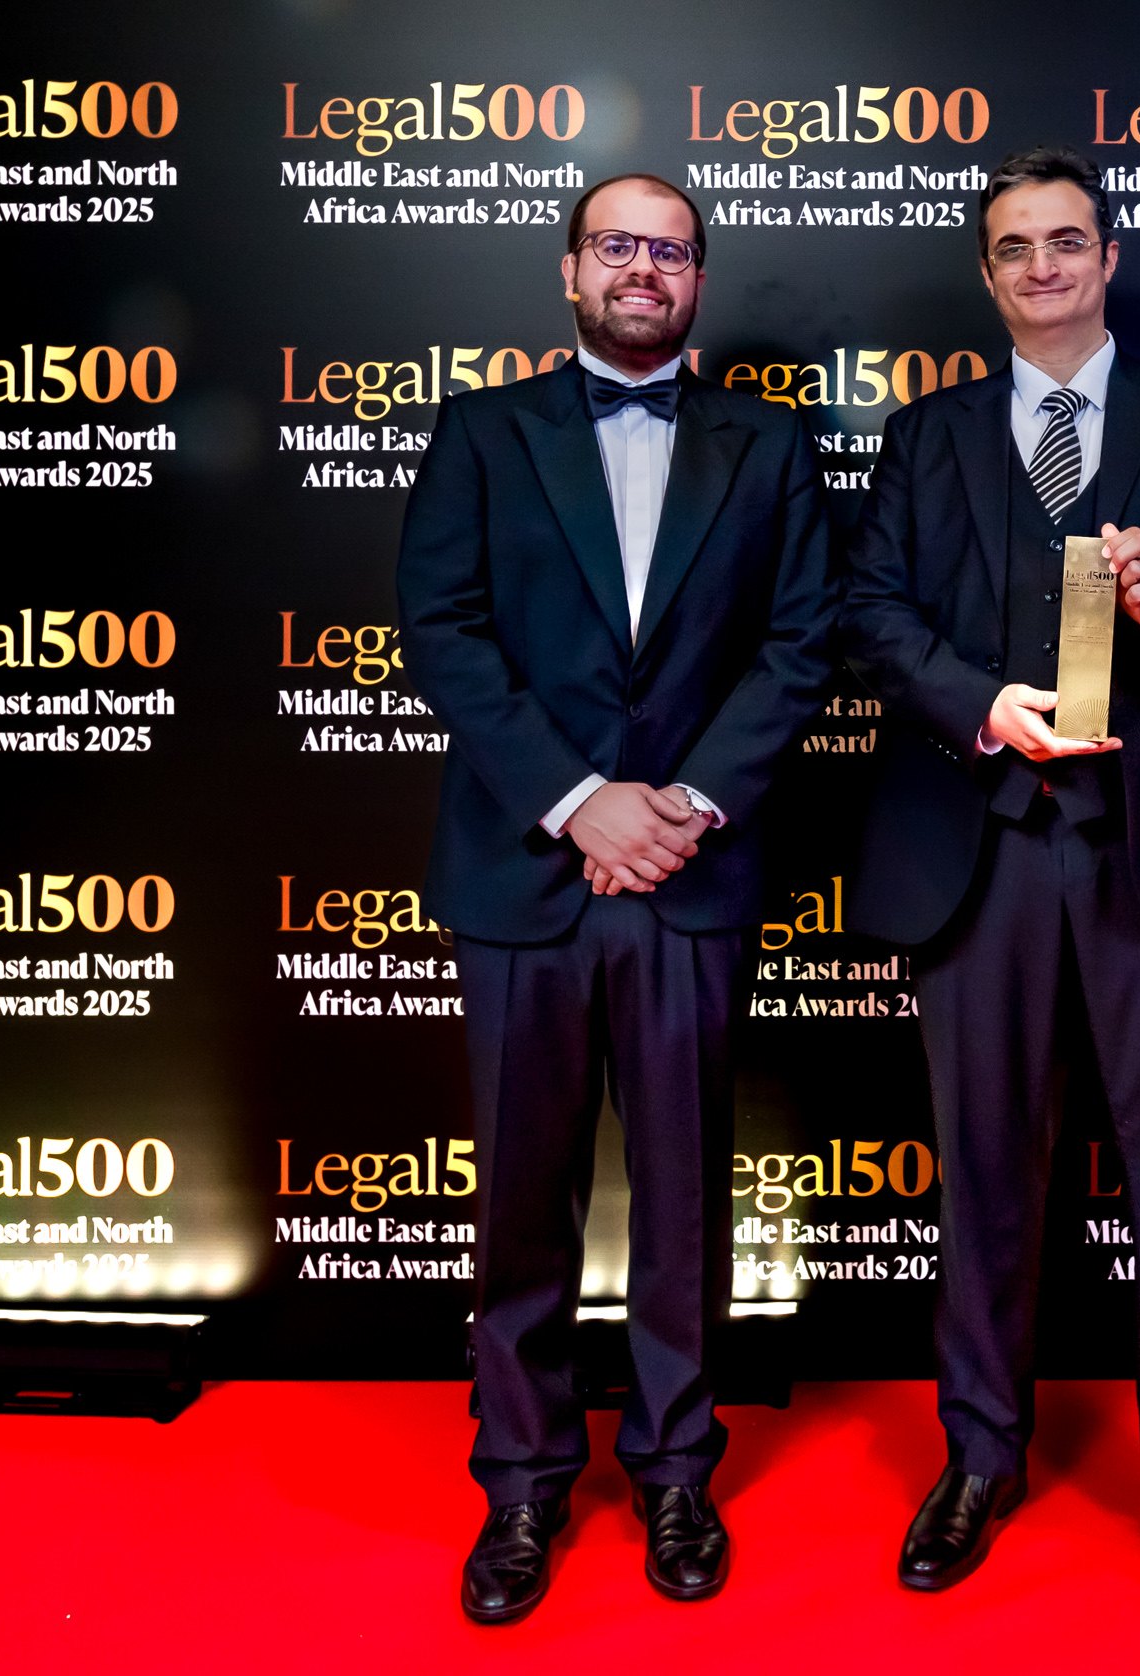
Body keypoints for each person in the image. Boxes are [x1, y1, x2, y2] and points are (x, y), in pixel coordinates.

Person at [840, 144, 1140, 1634]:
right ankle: (980, 1455)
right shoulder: (925, 435)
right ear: (987, 276)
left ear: (1110, 260)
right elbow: (869, 612)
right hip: (979, 844)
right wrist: (978, 704)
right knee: (983, 1176)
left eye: (1067, 242)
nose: (1043, 267)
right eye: (1015, 248)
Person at [397, 172, 836, 1623]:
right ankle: (522, 1478)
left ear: (699, 280)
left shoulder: (771, 445)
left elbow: (800, 646)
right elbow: (443, 631)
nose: (645, 270)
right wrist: (581, 799)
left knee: (685, 1191)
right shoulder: (482, 432)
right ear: (571, 270)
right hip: (524, 868)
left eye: (672, 252)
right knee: (522, 1193)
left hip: (690, 872)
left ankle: (675, 1466)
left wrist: (684, 806)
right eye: (618, 247)